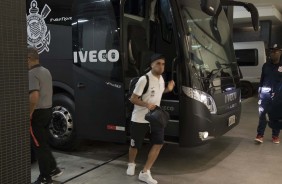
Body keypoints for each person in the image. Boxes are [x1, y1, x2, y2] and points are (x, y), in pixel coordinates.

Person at [126, 53, 175, 184]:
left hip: (155, 117)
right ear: (151, 64)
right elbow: (133, 99)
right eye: (158, 63)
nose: (161, 66)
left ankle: (145, 172)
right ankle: (131, 163)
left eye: (163, 64)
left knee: (159, 143)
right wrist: (147, 104)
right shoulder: (144, 79)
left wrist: (168, 89)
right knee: (135, 145)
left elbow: (157, 92)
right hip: (140, 118)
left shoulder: (161, 79)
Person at [28, 46, 63, 184]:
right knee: (43, 143)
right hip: (48, 111)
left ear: (29, 58)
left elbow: (34, 96)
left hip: (37, 113)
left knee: (38, 146)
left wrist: (29, 113)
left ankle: (44, 177)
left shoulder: (31, 73)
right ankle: (54, 169)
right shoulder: (46, 71)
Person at [255, 44, 282, 144]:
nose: (273, 53)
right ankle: (260, 135)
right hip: (265, 95)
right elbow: (262, 79)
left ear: (280, 52)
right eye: (272, 51)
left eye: (276, 51)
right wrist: (259, 91)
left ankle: (275, 136)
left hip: (278, 96)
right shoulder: (266, 65)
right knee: (262, 115)